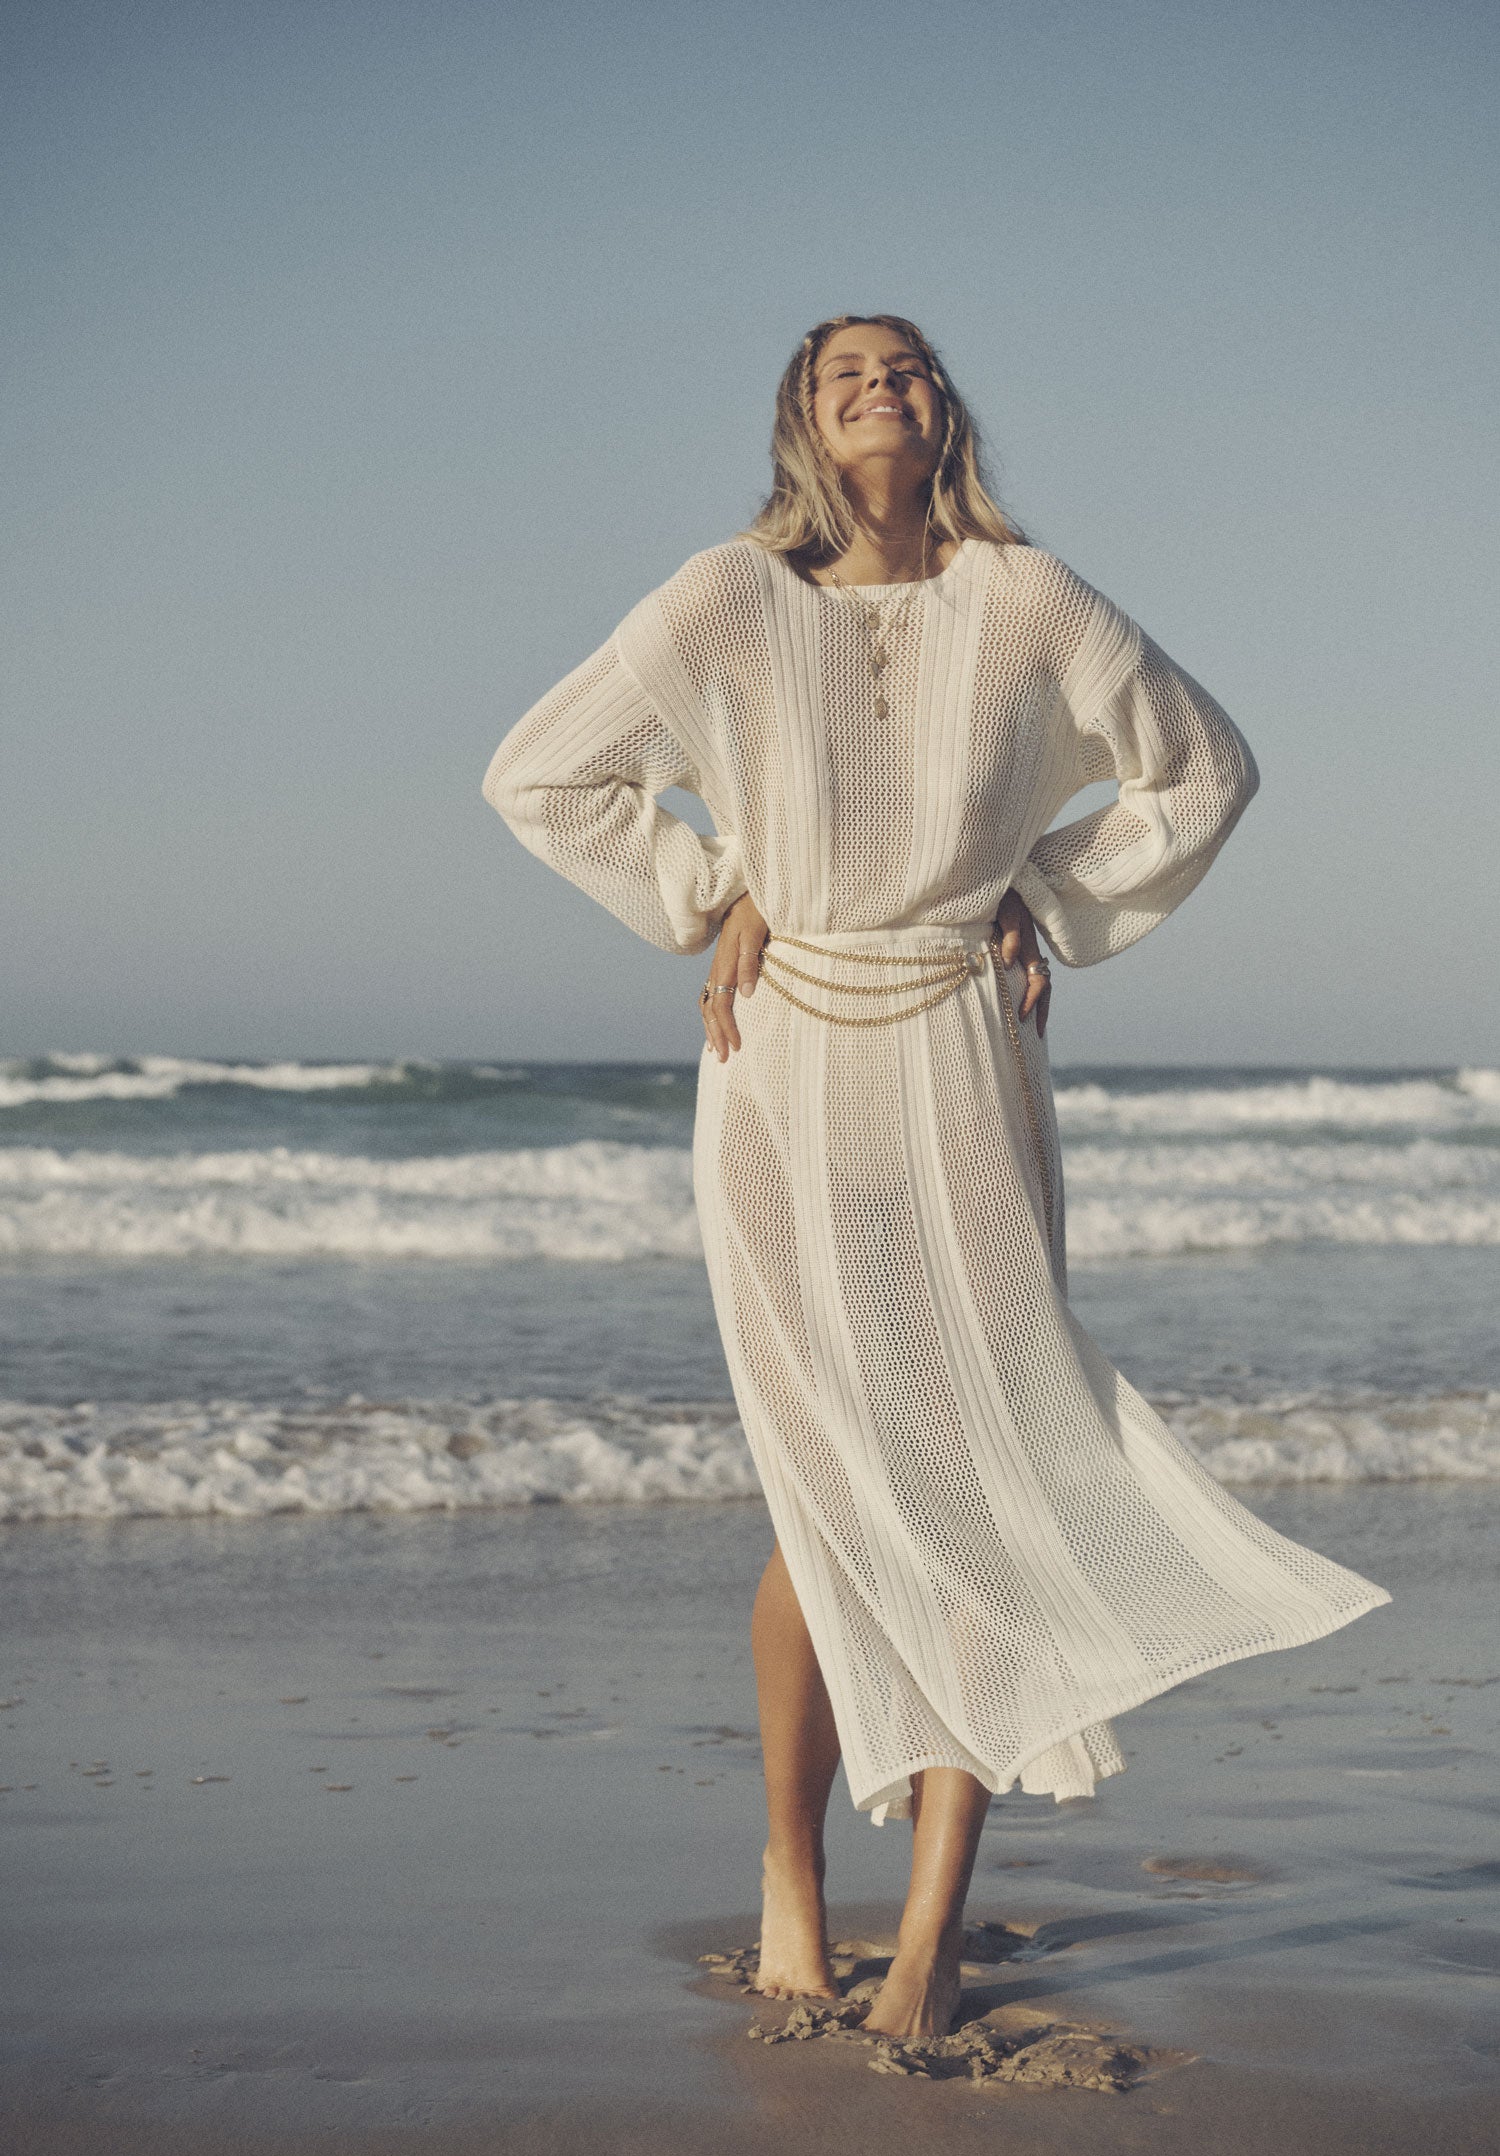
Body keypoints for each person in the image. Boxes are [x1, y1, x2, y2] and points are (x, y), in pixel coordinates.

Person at [481, 313, 1391, 2039]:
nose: (879, 387)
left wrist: (1046, 890)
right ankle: (791, 1885)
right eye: (845, 375)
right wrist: (713, 882)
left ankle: (930, 1942)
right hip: (784, 1071)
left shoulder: (1028, 599)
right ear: (803, 428)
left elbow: (1205, 765)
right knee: (823, 1490)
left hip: (966, 1057)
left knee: (981, 1482)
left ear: (943, 407)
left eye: (904, 368)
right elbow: (540, 772)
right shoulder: (725, 601)